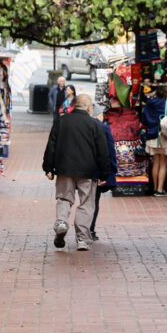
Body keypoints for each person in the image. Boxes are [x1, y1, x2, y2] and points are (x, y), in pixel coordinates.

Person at [43, 93, 112, 251]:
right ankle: (82, 239)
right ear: (89, 108)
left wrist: (48, 167)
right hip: (88, 170)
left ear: (73, 105)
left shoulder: (61, 121)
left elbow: (51, 144)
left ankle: (61, 222)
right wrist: (104, 173)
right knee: (87, 203)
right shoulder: (94, 124)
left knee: (64, 198)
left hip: (64, 168)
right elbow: (103, 151)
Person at [141, 86, 167, 197]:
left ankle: (155, 188)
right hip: (163, 136)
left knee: (155, 162)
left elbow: (143, 119)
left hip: (151, 135)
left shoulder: (149, 104)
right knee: (163, 163)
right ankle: (160, 190)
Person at [89, 111, 118, 241]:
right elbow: (110, 150)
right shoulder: (103, 127)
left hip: (81, 169)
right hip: (97, 170)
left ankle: (84, 229)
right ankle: (90, 229)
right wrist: (111, 171)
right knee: (94, 201)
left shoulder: (82, 126)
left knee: (85, 201)